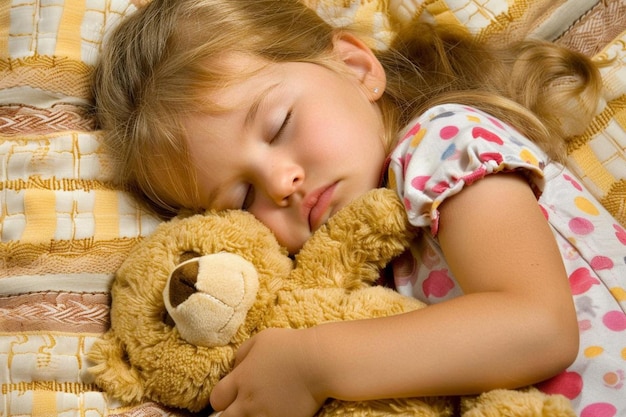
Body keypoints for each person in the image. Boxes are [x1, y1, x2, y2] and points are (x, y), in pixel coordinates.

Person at [93, 0, 626, 416]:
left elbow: (538, 326)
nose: (281, 184)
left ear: (355, 66)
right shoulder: (361, 274)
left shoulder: (440, 143)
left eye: (279, 125)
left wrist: (312, 364)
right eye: (242, 198)